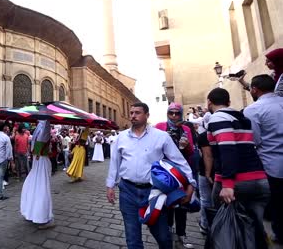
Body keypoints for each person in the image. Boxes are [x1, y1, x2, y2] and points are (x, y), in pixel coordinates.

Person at [106, 102, 195, 249]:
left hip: (154, 193)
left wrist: (191, 183)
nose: (133, 116)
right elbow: (115, 163)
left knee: (162, 237)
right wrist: (110, 186)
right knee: (132, 238)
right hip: (127, 191)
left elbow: (179, 161)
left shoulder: (161, 137)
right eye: (131, 112)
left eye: (137, 112)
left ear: (147, 115)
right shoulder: (121, 137)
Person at [207, 88, 270, 249]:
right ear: (228, 102)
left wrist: (227, 185)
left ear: (209, 102)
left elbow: (228, 149)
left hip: (237, 182)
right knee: (254, 229)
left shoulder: (217, 118)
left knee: (225, 230)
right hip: (259, 180)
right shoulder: (243, 118)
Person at [243, 75, 283, 243]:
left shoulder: (253, 110)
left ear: (254, 89)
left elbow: (255, 139)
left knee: (277, 203)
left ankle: (279, 234)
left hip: (271, 163)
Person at [155, 102, 195, 248]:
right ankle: (167, 236)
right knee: (166, 204)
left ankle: (180, 238)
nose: (173, 116)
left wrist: (187, 146)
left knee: (181, 205)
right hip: (165, 172)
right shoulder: (159, 126)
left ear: (181, 114)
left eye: (177, 113)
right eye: (171, 113)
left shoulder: (186, 129)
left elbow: (191, 153)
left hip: (182, 172)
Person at [20, 120, 54, 229]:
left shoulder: (45, 125)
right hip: (37, 160)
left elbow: (40, 142)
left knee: (40, 188)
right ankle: (34, 213)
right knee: (34, 187)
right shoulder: (40, 125)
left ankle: (43, 217)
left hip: (41, 161)